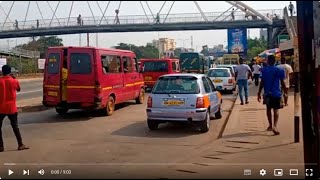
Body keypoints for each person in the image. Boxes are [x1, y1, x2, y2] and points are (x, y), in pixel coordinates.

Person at [0, 65, 29, 152]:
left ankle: (1, 146)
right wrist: (13, 78)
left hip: (1, 107)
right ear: (10, 71)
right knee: (15, 126)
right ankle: (20, 144)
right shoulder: (14, 80)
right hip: (11, 108)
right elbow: (19, 89)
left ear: (2, 71)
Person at [257, 55, 287, 135]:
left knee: (268, 109)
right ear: (274, 61)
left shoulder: (264, 70)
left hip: (267, 93)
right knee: (276, 110)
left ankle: (270, 125)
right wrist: (285, 91)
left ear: (268, 61)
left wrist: (259, 93)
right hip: (276, 93)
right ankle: (275, 126)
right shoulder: (280, 70)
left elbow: (262, 82)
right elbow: (282, 82)